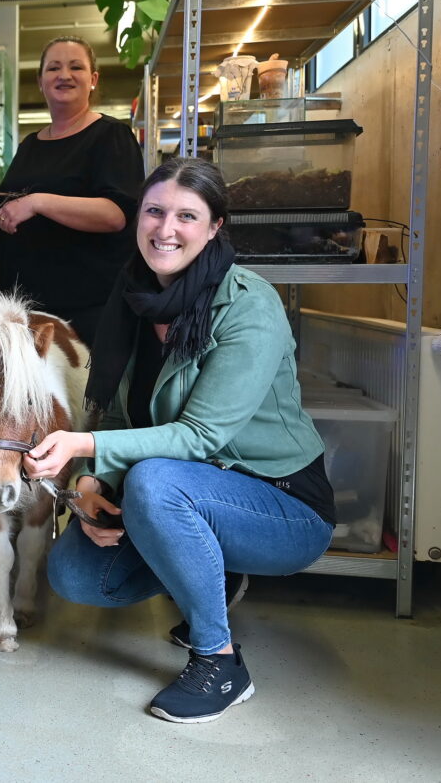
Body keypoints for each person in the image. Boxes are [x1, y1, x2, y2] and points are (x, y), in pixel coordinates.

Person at [24, 157, 335, 724]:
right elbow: (119, 414)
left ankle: (219, 661)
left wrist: (81, 448)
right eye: (155, 211)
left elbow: (200, 436)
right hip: (188, 492)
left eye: (187, 216)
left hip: (281, 504)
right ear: (137, 217)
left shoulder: (249, 305)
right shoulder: (133, 298)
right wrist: (93, 484)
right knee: (75, 574)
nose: (166, 229)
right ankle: (210, 566)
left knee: (158, 479)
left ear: (215, 227)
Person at [0, 35, 143, 347]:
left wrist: (37, 202)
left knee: (81, 395)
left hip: (87, 310)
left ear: (93, 79)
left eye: (76, 67)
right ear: (40, 81)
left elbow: (115, 215)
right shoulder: (30, 144)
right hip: (26, 310)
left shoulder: (111, 135)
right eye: (54, 68)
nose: (64, 75)